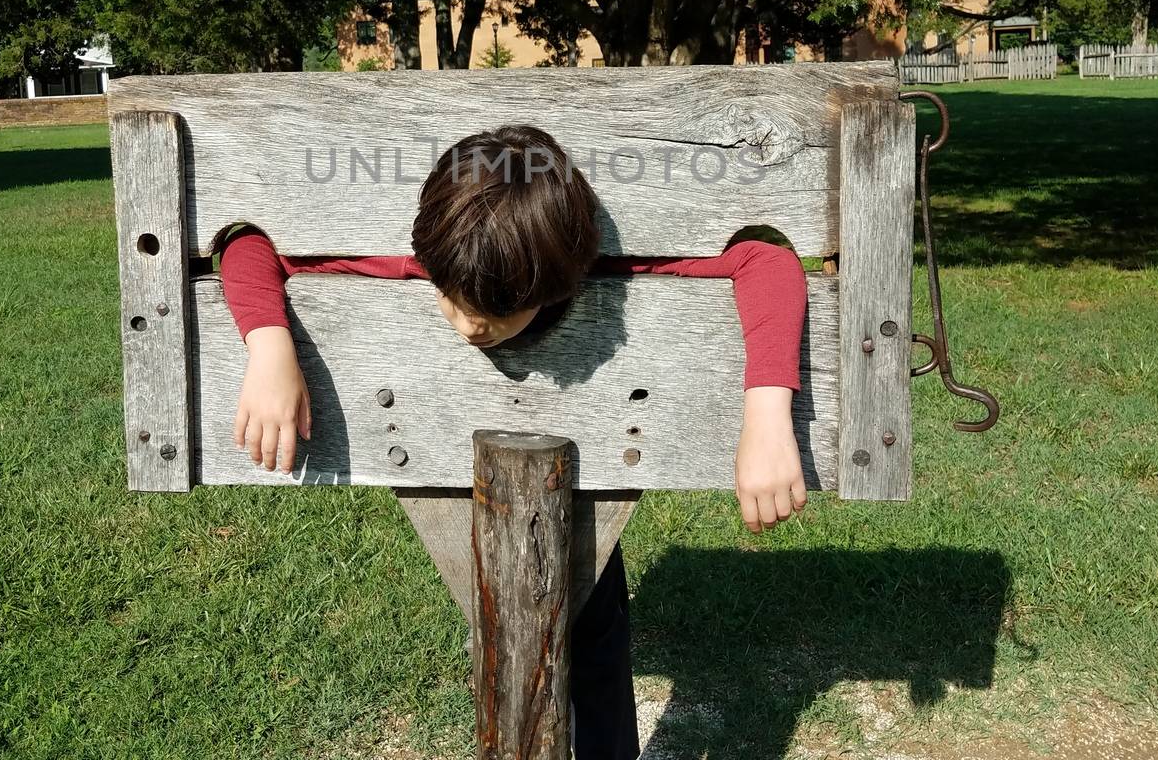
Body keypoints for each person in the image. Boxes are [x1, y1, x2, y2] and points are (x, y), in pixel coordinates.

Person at [217, 124, 808, 760]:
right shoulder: (433, 256)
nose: (471, 326)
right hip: (444, 442)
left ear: (558, 286)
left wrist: (768, 413)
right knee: (508, 633)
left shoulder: (601, 264)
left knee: (594, 623)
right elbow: (246, 242)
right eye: (451, 300)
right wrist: (270, 346)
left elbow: (765, 256)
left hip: (582, 465)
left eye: (499, 314)